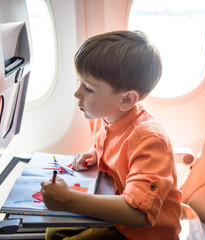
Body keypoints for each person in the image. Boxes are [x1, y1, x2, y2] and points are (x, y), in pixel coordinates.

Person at [41, 30, 182, 240]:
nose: (77, 93)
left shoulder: (149, 141)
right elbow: (105, 145)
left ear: (127, 100)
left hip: (142, 234)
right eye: (78, 82)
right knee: (52, 232)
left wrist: (68, 199)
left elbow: (139, 213)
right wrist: (93, 153)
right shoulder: (105, 116)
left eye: (88, 88)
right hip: (117, 220)